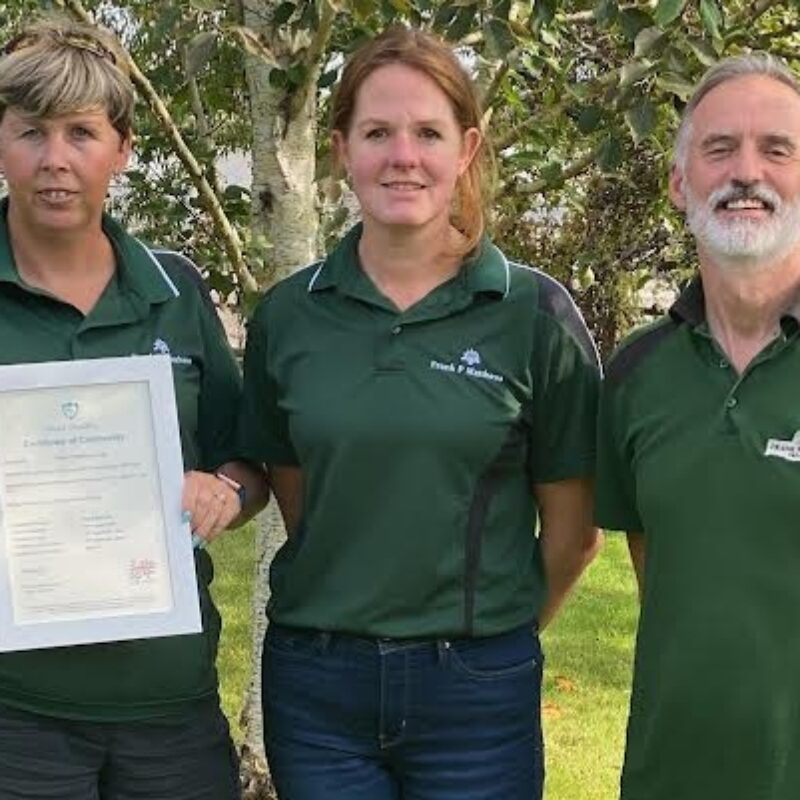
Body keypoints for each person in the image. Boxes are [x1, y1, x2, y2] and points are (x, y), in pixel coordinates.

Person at [238, 25, 601, 800]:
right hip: (317, 689)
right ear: (342, 148)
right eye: (377, 132)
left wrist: (484, 645)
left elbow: (572, 535)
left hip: (475, 694)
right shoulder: (287, 319)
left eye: (428, 132)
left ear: (466, 149)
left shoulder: (535, 314)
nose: (403, 155)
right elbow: (304, 499)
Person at [0, 18, 267, 800]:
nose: (55, 161)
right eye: (30, 132)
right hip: (14, 710)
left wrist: (226, 491)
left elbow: (244, 459)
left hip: (169, 704)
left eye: (81, 133)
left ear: (121, 149)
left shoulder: (176, 293)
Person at [596, 54, 800, 800]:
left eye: (777, 150)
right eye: (719, 149)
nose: (747, 171)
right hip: (669, 777)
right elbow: (665, 574)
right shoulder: (634, 375)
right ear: (680, 182)